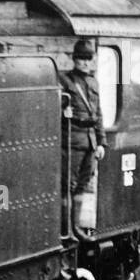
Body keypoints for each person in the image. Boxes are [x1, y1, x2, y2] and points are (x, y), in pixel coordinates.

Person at [59, 38, 106, 201]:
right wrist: (63, 111)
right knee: (68, 185)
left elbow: (98, 114)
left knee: (83, 186)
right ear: (74, 59)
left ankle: (78, 227)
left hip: (90, 141)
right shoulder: (64, 80)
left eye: (89, 58)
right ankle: (68, 227)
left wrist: (101, 143)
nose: (85, 63)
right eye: (81, 58)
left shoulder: (93, 82)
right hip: (72, 140)